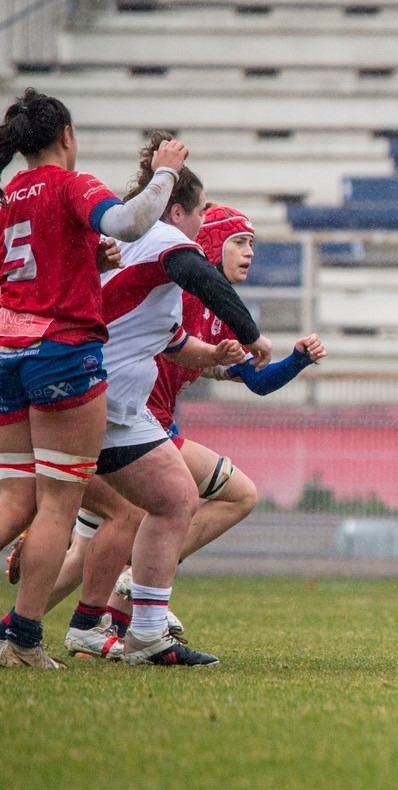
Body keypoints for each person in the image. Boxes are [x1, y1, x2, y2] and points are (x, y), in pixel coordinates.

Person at [61, 204, 324, 658]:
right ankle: (128, 604)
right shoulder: (175, 290)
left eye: (253, 244)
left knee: (96, 539)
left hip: (135, 427)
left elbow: (254, 380)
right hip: (123, 424)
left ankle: (72, 625)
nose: (250, 253)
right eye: (239, 242)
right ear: (208, 244)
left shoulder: (213, 311)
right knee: (179, 507)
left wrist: (297, 359)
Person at [56, 133, 272, 667]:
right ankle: (75, 628)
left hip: (110, 406)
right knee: (92, 513)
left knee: (159, 502)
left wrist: (216, 358)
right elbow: (200, 277)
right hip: (93, 398)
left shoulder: (137, 247)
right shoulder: (164, 241)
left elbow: (175, 345)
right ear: (177, 210)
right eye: (200, 213)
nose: (204, 225)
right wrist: (251, 335)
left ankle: (128, 630)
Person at [0, 89, 187, 668]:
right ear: (67, 136)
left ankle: (21, 637)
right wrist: (164, 177)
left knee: (13, 497)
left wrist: (87, 262)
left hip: (7, 349)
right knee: (61, 501)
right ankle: (24, 640)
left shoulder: (8, 195)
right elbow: (130, 222)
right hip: (61, 351)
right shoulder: (69, 185)